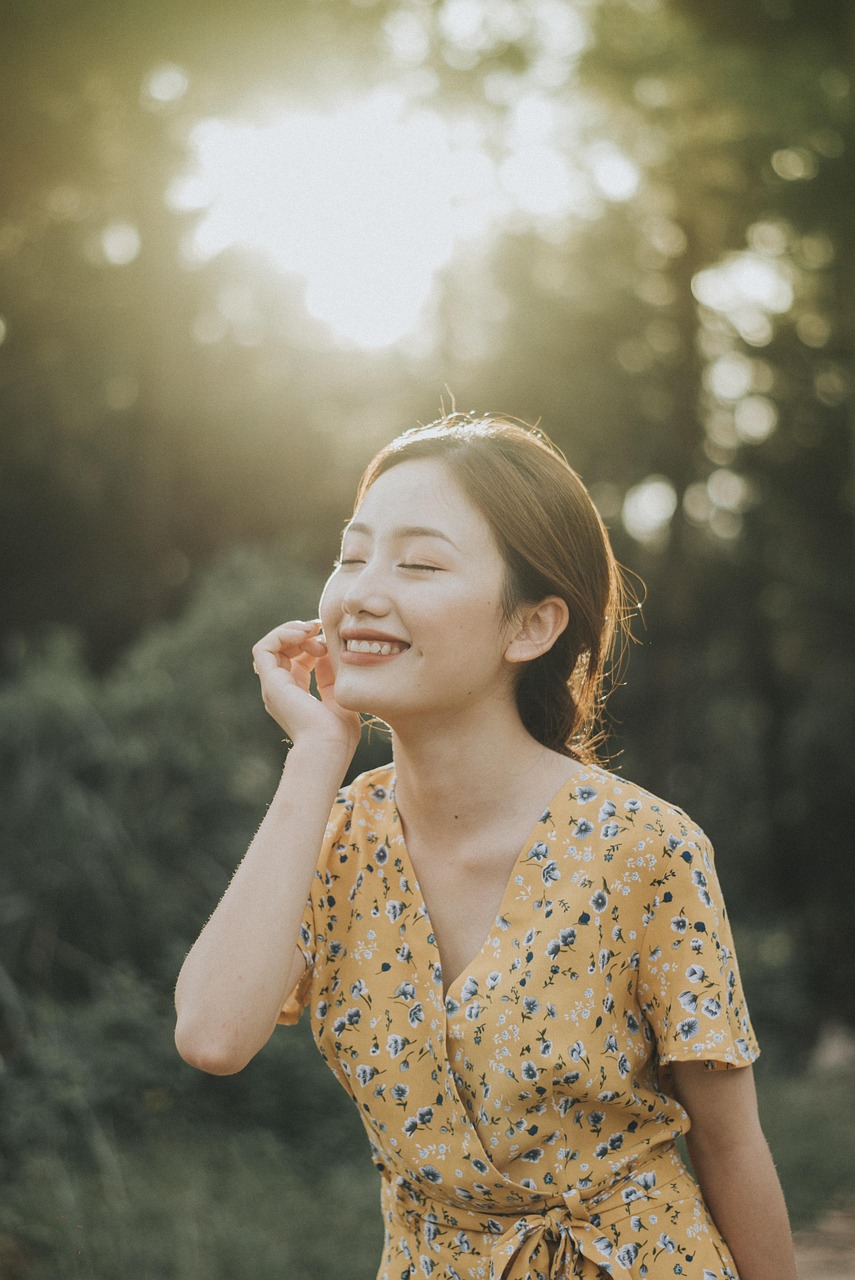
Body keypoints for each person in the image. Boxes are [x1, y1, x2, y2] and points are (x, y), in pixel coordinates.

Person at [174, 413, 796, 1280]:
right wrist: (317, 755)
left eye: (419, 563)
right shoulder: (335, 839)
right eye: (352, 556)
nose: (361, 591)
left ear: (531, 627)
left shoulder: (644, 850)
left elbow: (730, 1149)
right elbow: (211, 1035)